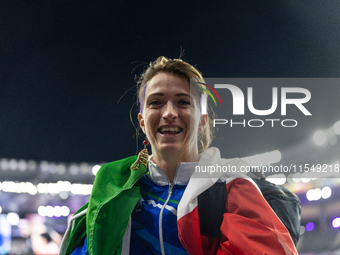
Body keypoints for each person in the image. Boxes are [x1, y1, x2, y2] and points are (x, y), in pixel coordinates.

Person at [59, 56, 298, 255]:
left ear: (202, 119)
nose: (169, 113)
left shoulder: (232, 188)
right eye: (156, 103)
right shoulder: (112, 191)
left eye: (183, 102)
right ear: (142, 121)